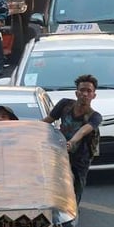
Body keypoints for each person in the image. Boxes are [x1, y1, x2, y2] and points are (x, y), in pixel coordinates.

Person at [43, 74, 101, 202]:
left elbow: (83, 130)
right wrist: (31, 129)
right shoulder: (64, 104)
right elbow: (48, 120)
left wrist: (71, 142)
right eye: (82, 90)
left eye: (89, 91)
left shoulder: (95, 116)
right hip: (61, 152)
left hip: (81, 157)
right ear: (76, 93)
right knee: (57, 182)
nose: (85, 94)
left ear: (93, 95)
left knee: (77, 186)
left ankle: (73, 211)